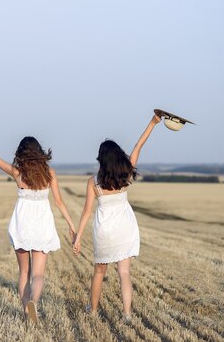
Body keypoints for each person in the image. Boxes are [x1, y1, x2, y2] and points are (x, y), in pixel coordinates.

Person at [0, 135, 76, 323]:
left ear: (21, 153)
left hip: (22, 225)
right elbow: (60, 202)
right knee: (38, 274)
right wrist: (72, 226)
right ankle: (34, 303)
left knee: (24, 273)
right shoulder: (50, 173)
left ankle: (25, 311)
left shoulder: (17, 172)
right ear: (39, 152)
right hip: (42, 226)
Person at [72, 114, 161, 320]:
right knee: (124, 273)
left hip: (104, 230)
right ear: (118, 155)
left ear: (101, 158)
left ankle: (92, 312)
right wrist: (153, 123)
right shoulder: (126, 173)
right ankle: (127, 314)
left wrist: (77, 238)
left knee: (99, 273)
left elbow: (86, 211)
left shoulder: (93, 182)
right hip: (125, 228)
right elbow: (139, 145)